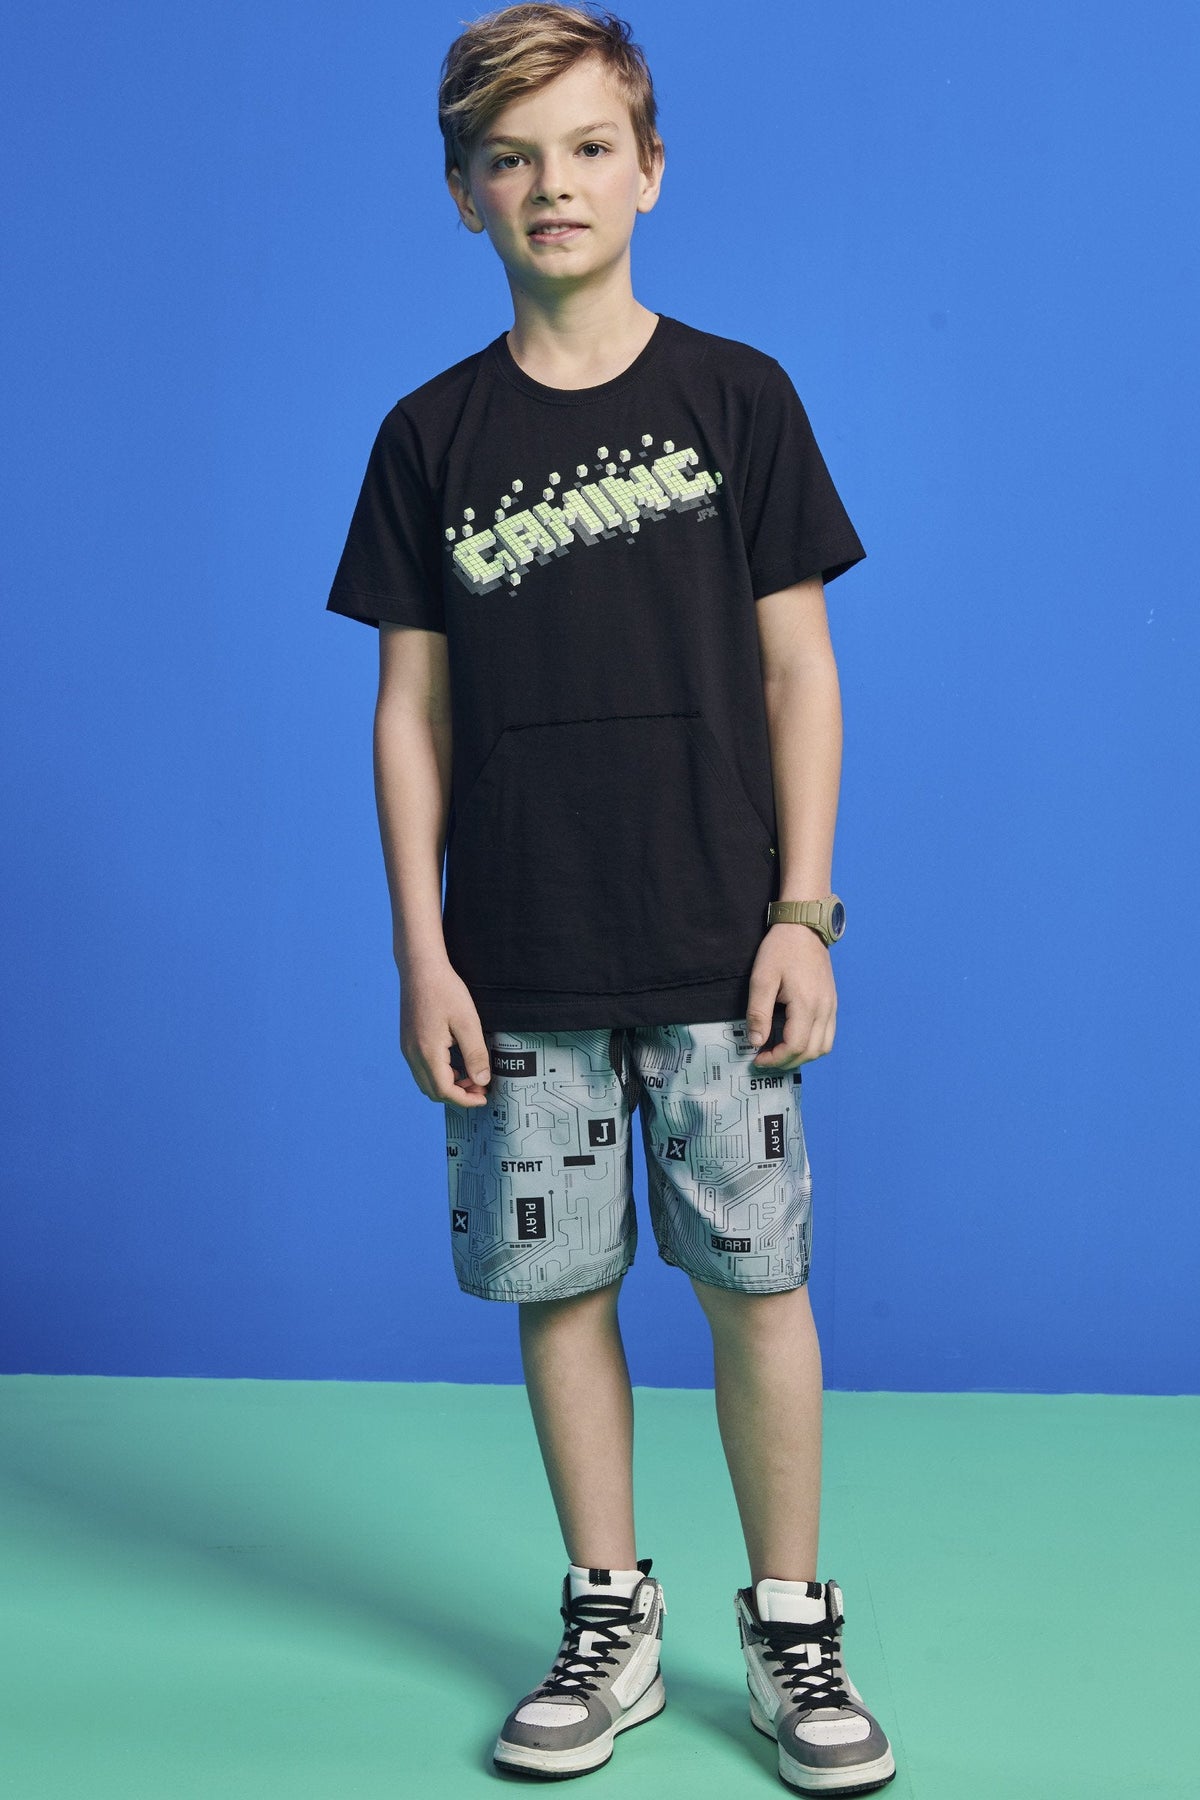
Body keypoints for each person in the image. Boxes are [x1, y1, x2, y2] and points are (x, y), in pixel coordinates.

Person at [325, 4, 895, 1792]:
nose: (552, 183)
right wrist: (423, 952)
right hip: (521, 953)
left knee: (755, 1284)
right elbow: (408, 713)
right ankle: (610, 1619)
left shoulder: (740, 399)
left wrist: (803, 912)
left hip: (725, 945)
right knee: (560, 1287)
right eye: (512, 157)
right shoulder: (429, 434)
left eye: (587, 147)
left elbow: (802, 674)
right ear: (463, 195)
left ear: (650, 170)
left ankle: (792, 1624)